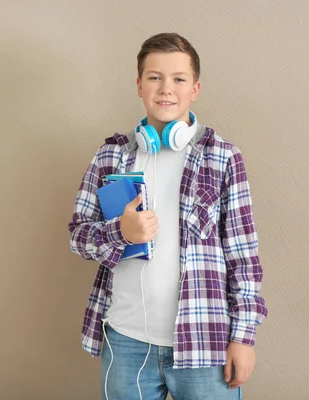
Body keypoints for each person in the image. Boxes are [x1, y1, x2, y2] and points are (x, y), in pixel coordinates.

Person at [68, 32, 267, 400]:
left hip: (205, 342)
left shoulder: (223, 158)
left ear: (195, 89)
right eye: (155, 77)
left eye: (179, 79)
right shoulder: (110, 156)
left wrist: (243, 336)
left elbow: (244, 257)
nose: (166, 88)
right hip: (126, 343)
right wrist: (120, 232)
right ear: (139, 84)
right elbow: (78, 237)